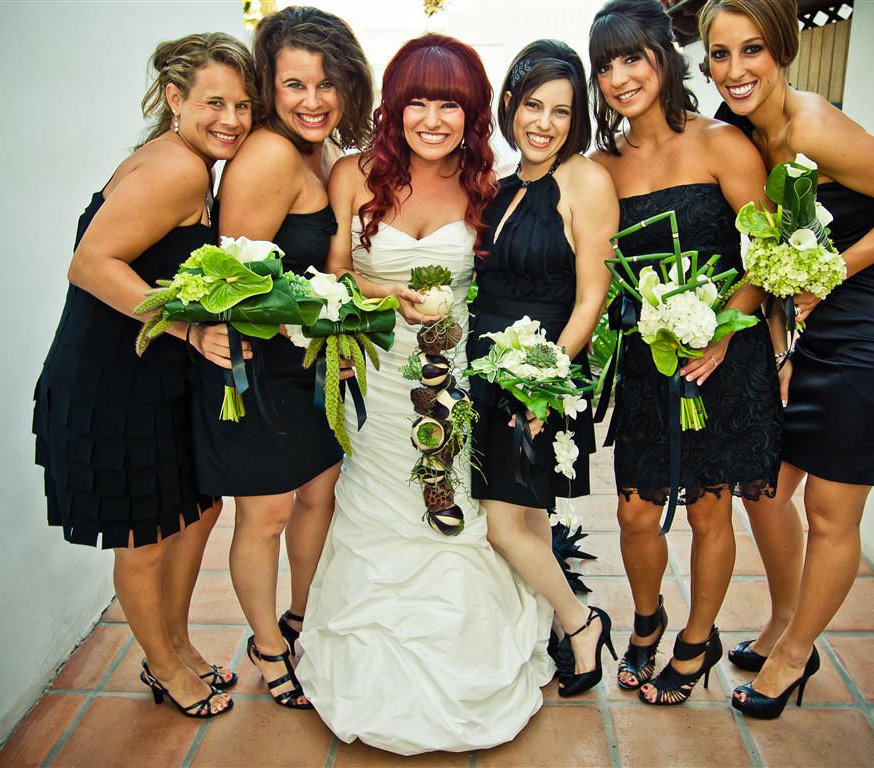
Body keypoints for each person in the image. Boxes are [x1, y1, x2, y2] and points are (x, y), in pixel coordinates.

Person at [297, 34, 553, 755]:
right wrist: (386, 295)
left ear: (472, 114)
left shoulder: (487, 187)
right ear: (394, 107)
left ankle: (468, 661)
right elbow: (336, 274)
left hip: (454, 381)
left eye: (450, 105)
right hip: (376, 381)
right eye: (418, 103)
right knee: (377, 508)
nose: (433, 120)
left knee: (455, 512)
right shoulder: (353, 173)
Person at [698, 0, 874, 718]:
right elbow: (773, 254)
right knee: (764, 489)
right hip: (815, 333)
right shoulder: (742, 131)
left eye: (752, 49)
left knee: (831, 511)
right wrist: (782, 346)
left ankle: (794, 655)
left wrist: (835, 270)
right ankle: (785, 620)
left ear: (782, 50)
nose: (735, 69)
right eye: (720, 54)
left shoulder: (813, 126)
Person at [32, 33, 257, 718]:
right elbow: (89, 264)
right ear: (174, 98)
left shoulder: (190, 163)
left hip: (154, 375)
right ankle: (163, 667)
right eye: (214, 102)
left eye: (243, 105)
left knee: (197, 510)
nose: (231, 119)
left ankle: (179, 644)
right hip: (112, 381)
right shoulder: (176, 169)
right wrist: (187, 329)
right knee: (145, 539)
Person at [588, 0, 784, 706]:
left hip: (724, 358)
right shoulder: (600, 166)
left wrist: (725, 329)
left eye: (632, 58)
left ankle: (697, 640)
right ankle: (648, 620)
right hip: (649, 361)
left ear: (665, 59)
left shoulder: (722, 144)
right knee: (634, 514)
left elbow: (768, 254)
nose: (619, 77)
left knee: (710, 512)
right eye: (605, 65)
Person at [188, 6, 372, 710]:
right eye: (295, 85)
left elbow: (320, 272)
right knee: (265, 516)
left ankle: (301, 615)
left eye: (327, 84)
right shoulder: (268, 154)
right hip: (255, 369)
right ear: (269, 86)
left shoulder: (318, 151)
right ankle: (268, 646)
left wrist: (338, 336)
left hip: (305, 365)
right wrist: (315, 328)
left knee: (320, 495)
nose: (313, 100)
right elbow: (235, 286)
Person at [468, 40, 618, 697]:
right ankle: (552, 627)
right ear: (510, 103)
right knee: (526, 518)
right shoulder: (502, 184)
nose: (545, 123)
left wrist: (542, 381)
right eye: (533, 105)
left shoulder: (585, 181)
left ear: (576, 118)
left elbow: (591, 298)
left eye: (562, 111)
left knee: (504, 526)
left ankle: (581, 624)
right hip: (483, 373)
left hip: (537, 376)